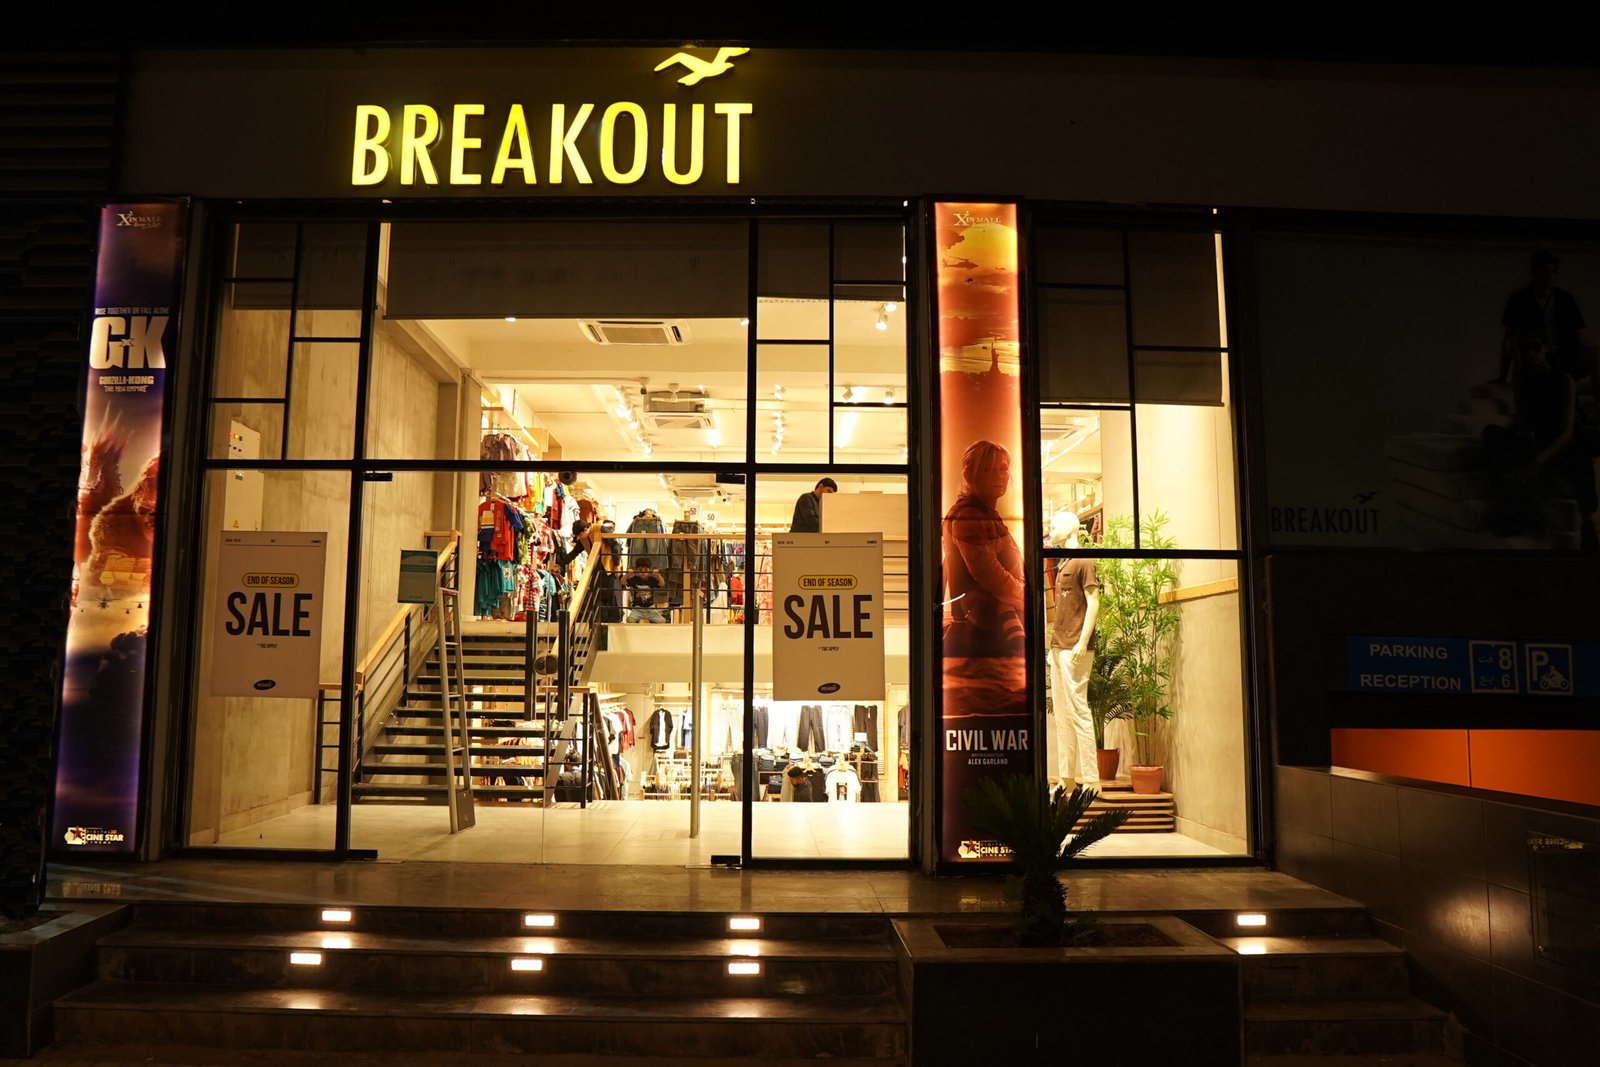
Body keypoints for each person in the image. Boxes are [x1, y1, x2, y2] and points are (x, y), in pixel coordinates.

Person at [1484, 332, 1599, 551]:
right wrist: (1529, 446)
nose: (1530, 353)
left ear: (1547, 348)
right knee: (1491, 433)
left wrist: (1539, 461)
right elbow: (1524, 421)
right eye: (1524, 349)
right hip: (1537, 440)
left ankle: (1587, 524)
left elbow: (1567, 433)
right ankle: (1514, 508)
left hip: (1562, 443)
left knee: (1581, 458)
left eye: (1535, 347)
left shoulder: (1564, 380)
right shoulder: (1521, 378)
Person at [942, 441, 1026, 656]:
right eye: (988, 469)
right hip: (986, 633)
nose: (998, 476)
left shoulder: (985, 513)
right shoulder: (969, 515)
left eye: (1003, 468)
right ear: (970, 475)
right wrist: (1025, 596)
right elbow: (991, 577)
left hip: (992, 629)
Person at [1047, 510, 1100, 788]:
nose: (1050, 531)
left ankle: (1091, 780)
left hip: (1075, 648)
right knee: (1062, 714)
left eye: (1053, 526)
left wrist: (1082, 641)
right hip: (1059, 647)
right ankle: (1066, 778)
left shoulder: (1083, 561)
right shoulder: (1063, 563)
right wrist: (1054, 647)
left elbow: (1094, 602)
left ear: (1068, 529)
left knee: (1078, 710)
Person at [1498, 250, 1592, 386]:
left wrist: (1591, 358)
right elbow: (1509, 338)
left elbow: (1580, 335)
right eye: (1544, 271)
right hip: (1533, 360)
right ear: (1534, 272)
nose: (1549, 276)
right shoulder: (1519, 299)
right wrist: (1502, 376)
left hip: (1564, 360)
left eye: (1553, 272)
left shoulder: (1565, 299)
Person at [624, 557, 668, 622]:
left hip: (650, 608)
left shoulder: (652, 579)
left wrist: (658, 574)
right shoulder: (634, 579)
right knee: (630, 620)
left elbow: (662, 584)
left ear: (649, 570)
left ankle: (651, 626)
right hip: (637, 608)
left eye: (646, 570)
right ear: (637, 570)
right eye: (640, 570)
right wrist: (627, 574)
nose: (643, 572)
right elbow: (622, 582)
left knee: (662, 621)